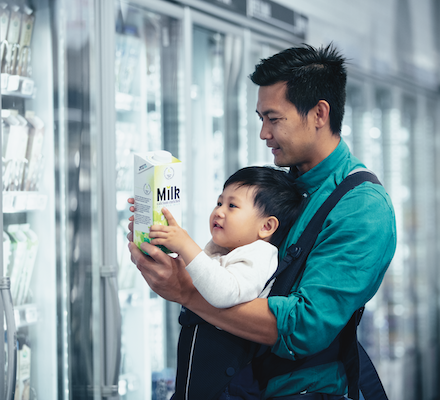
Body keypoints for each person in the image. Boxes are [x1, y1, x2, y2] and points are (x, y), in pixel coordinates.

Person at [128, 43, 397, 399]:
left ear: (319, 113)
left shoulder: (362, 208)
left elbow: (303, 327)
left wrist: (185, 290)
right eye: (261, 119)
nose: (264, 134)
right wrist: (166, 250)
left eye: (274, 119)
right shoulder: (284, 186)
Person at [130, 166, 305, 399]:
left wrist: (185, 245)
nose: (219, 211)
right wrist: (150, 237)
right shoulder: (224, 250)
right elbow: (192, 279)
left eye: (232, 206)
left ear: (267, 227)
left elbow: (225, 292)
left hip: (228, 386)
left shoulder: (261, 255)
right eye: (219, 202)